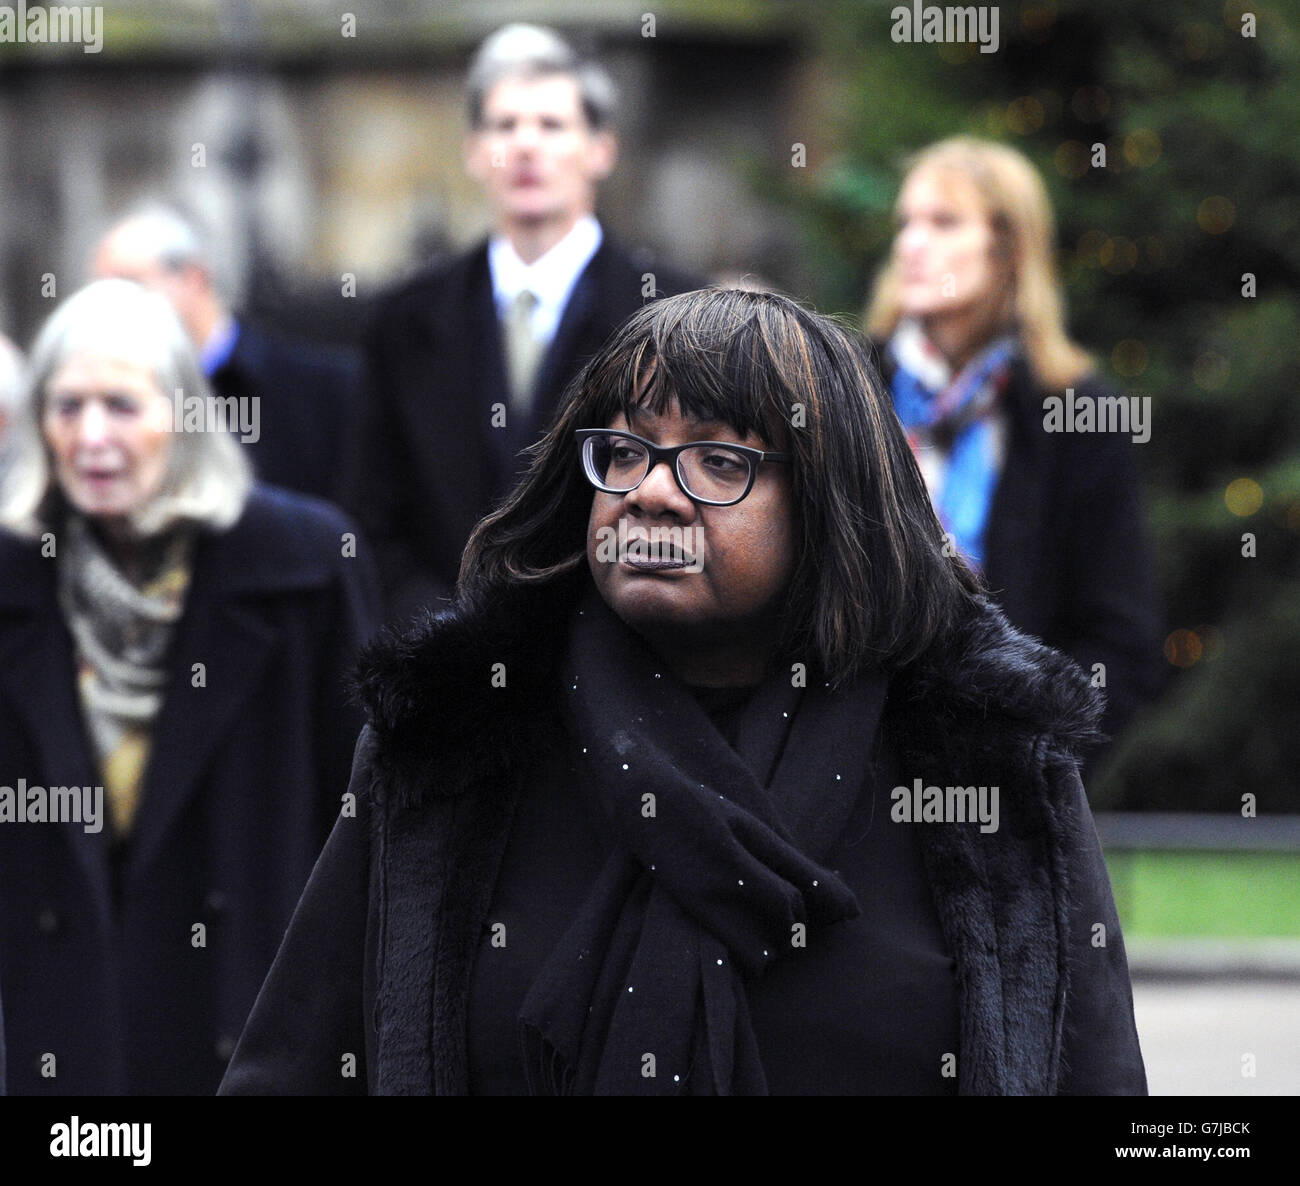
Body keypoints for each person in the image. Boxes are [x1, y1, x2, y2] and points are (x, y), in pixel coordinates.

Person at [220, 288, 1146, 1096]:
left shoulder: (981, 754)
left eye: (718, 460)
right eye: (624, 452)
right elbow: (297, 1064)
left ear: (828, 503)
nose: (651, 493)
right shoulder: (455, 737)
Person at [0, 279, 379, 1094]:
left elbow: (367, 813)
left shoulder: (303, 563)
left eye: (121, 406)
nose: (92, 436)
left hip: (251, 1018)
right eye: (67, 408)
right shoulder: (13, 575)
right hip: (59, 1039)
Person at [354, 23, 700, 621]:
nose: (525, 146)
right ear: (473, 150)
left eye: (551, 125)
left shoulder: (673, 312)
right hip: (441, 659)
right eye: (505, 125)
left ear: (601, 148)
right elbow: (368, 515)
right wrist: (445, 633)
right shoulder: (406, 317)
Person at [865, 137, 1161, 764]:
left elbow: (1119, 636)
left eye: (943, 222)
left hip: (1004, 769)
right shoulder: (848, 383)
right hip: (849, 759)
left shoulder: (1075, 410)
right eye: (906, 223)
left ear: (1009, 247)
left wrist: (1035, 760)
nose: (910, 244)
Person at [93, 205, 361, 506]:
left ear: (193, 278)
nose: (111, 306)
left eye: (130, 285)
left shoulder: (322, 387)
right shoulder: (109, 401)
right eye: (101, 292)